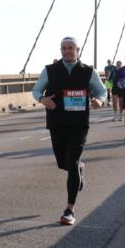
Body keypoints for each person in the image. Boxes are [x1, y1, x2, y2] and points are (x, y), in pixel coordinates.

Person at [32, 37, 107, 226]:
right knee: (63, 164)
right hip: (57, 122)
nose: (66, 51)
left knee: (71, 163)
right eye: (63, 48)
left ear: (77, 49)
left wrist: (100, 100)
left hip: (79, 123)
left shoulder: (88, 72)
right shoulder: (50, 70)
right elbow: (36, 90)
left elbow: (102, 91)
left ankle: (69, 209)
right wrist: (42, 99)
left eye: (70, 48)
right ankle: (79, 169)